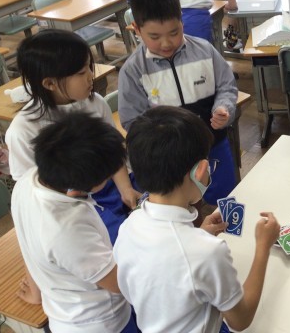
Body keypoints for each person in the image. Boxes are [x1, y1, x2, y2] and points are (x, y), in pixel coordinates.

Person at [114, 106, 280, 333]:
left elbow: (155, 274)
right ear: (201, 170)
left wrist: (198, 234)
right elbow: (240, 320)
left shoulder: (128, 226)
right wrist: (263, 247)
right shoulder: (208, 252)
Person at [5, 30, 141, 243]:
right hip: (72, 204)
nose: (90, 76)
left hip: (109, 183)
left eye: (89, 66)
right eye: (81, 72)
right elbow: (32, 194)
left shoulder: (95, 102)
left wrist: (126, 189)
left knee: (161, 201)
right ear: (50, 83)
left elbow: (113, 155)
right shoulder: (23, 130)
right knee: (120, 239)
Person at [11, 112, 137, 333]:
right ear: (87, 185)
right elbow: (119, 284)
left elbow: (26, 241)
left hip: (65, 311)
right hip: (102, 323)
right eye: (108, 176)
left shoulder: (27, 181)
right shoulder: (68, 228)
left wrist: (36, 290)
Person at [118, 0, 238, 206]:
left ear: (182, 20)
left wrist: (224, 108)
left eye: (174, 32)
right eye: (154, 36)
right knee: (181, 210)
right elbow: (132, 121)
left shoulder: (204, 50)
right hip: (171, 162)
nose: (166, 43)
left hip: (214, 147)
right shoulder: (134, 70)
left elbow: (226, 86)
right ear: (137, 29)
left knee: (224, 201)